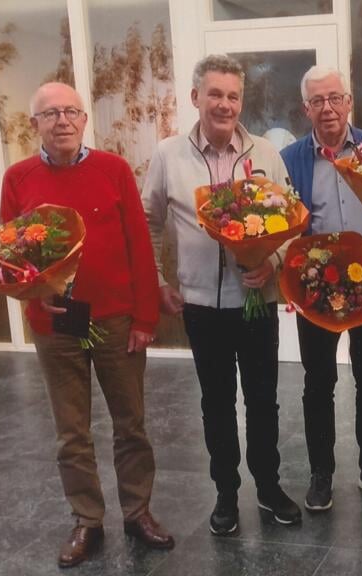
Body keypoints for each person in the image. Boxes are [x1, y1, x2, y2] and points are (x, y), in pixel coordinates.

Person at [0, 82, 174, 568]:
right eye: (50, 113)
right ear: (34, 124)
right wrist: (35, 305)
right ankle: (87, 520)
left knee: (130, 425)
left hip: (117, 318)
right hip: (56, 325)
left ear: (83, 120)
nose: (62, 121)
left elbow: (141, 246)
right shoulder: (18, 178)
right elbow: (9, 257)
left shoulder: (114, 170)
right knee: (71, 431)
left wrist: (144, 318)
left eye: (71, 111)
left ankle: (137, 511)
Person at [142, 54, 301, 536]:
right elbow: (148, 221)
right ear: (195, 98)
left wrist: (270, 262)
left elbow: (293, 222)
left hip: (256, 303)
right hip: (201, 308)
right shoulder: (168, 156)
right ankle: (227, 494)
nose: (225, 104)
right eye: (215, 94)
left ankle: (269, 488)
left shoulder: (266, 154)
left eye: (233, 96)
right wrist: (157, 280)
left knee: (263, 401)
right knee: (215, 402)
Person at [280, 66, 362, 512]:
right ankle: (321, 474)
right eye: (317, 101)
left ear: (348, 102)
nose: (327, 108)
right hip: (316, 287)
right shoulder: (290, 158)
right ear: (305, 108)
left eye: (335, 98)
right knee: (318, 381)